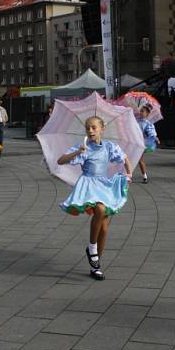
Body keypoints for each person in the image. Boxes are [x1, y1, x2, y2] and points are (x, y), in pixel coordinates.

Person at [58, 116, 133, 281]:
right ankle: (92, 248)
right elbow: (60, 160)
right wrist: (78, 152)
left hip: (103, 185)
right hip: (88, 185)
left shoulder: (109, 147)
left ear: (102, 129)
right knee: (99, 209)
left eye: (93, 127)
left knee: (104, 229)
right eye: (87, 128)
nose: (90, 131)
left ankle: (96, 265)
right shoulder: (83, 147)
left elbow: (126, 159)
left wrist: (129, 174)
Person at [136, 105, 160, 184]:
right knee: (131, 159)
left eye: (143, 111)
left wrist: (156, 138)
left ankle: (144, 176)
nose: (141, 112)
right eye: (141, 111)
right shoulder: (136, 120)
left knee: (139, 160)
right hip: (134, 141)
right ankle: (128, 175)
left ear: (147, 113)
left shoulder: (148, 123)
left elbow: (152, 133)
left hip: (142, 143)